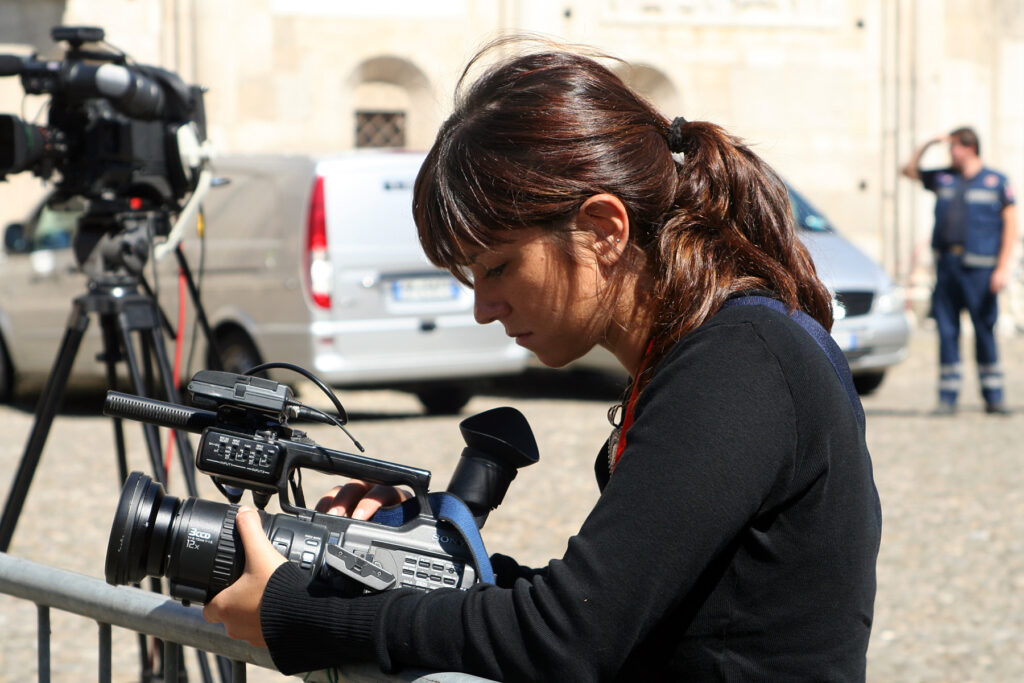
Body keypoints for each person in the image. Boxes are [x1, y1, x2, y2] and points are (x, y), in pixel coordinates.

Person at [203, 40, 882, 681]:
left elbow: (565, 638)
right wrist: (393, 562)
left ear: (604, 229)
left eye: (498, 266)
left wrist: (301, 614)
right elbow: (616, 612)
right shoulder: (712, 350)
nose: (483, 306)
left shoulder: (739, 362)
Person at [902, 128, 1018, 415]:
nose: (949, 153)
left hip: (982, 270)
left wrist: (1003, 268)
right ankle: (947, 398)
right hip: (948, 268)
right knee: (947, 330)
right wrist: (929, 142)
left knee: (983, 331)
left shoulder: (996, 182)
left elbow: (1012, 228)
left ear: (968, 148)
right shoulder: (944, 178)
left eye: (952, 147)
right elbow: (908, 170)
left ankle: (994, 396)